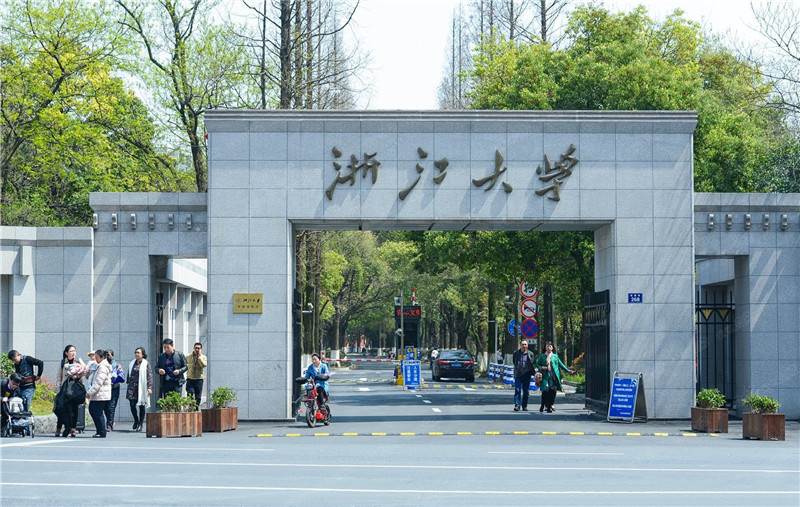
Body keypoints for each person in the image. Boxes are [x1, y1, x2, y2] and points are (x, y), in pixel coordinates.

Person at [537, 340, 576, 413]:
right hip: (545, 376)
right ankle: (543, 405)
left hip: (553, 376)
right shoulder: (542, 356)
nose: (548, 348)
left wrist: (568, 370)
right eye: (547, 346)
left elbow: (561, 364)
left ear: (552, 348)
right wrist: (541, 367)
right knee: (545, 391)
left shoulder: (555, 356)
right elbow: (537, 364)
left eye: (550, 346)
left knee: (552, 391)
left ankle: (549, 406)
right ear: (545, 347)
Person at [56, 345, 86, 437]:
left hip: (75, 389)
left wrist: (77, 375)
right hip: (65, 389)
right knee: (63, 409)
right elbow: (59, 376)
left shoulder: (78, 362)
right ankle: (59, 428)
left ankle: (73, 428)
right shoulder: (63, 363)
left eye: (74, 351)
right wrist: (58, 389)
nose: (73, 353)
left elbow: (84, 373)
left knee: (74, 409)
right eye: (71, 351)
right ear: (66, 353)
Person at [85, 349, 111, 438]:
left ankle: (101, 431)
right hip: (98, 394)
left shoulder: (103, 367)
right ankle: (100, 430)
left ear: (102, 357)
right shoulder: (99, 366)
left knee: (97, 412)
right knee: (93, 410)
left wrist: (90, 393)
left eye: (97, 357)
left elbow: (98, 383)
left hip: (100, 394)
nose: (95, 359)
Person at [127, 347, 153, 432]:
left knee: (142, 405)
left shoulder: (146, 364)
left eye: (138, 353)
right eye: (135, 352)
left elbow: (149, 376)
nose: (136, 354)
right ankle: (136, 420)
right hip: (132, 387)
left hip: (141, 387)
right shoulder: (132, 363)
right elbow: (129, 373)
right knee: (132, 405)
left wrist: (149, 387)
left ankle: (141, 423)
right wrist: (128, 382)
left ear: (143, 354)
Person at [512, 339, 536, 411]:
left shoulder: (531, 354)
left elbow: (532, 363)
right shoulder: (516, 353)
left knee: (526, 391)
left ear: (527, 345)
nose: (524, 346)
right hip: (518, 374)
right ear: (520, 345)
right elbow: (514, 362)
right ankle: (517, 405)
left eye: (525, 344)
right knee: (517, 390)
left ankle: (524, 406)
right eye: (522, 344)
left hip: (527, 374)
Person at [105, 349, 125, 431]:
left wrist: (114, 381)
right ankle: (110, 421)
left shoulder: (116, 365)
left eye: (109, 355)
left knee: (111, 407)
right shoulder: (103, 365)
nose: (107, 357)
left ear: (112, 356)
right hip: (105, 389)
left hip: (114, 389)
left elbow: (122, 377)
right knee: (105, 407)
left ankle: (109, 425)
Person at [185, 342, 207, 410]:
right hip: (190, 378)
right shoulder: (188, 356)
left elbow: (203, 365)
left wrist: (199, 357)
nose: (197, 349)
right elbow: (183, 363)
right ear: (193, 348)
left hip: (199, 379)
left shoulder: (203, 357)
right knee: (190, 393)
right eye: (196, 348)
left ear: (201, 349)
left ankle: (196, 409)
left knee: (198, 396)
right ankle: (190, 407)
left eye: (198, 348)